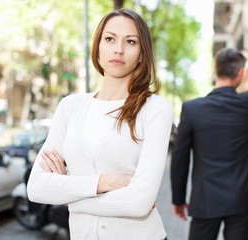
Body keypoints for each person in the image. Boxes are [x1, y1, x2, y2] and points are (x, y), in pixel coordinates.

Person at [27, 8, 173, 240]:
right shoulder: (70, 106)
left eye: (131, 41)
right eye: (110, 38)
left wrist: (67, 197)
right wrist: (106, 182)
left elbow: (139, 203)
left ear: (142, 54)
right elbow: (36, 187)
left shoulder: (156, 109)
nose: (118, 49)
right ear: (98, 46)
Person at [170, 35, 248, 240]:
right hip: (242, 198)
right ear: (241, 73)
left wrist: (178, 199)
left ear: (214, 71)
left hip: (205, 200)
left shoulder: (192, 109)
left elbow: (180, 159)